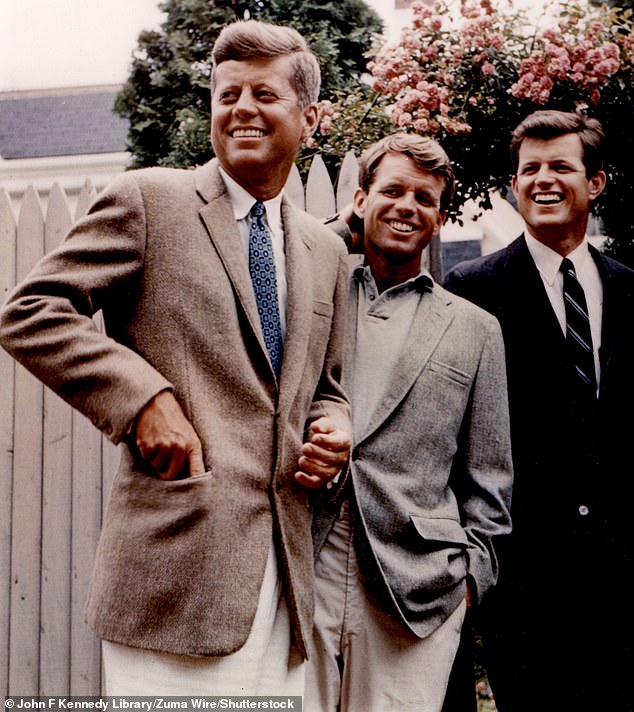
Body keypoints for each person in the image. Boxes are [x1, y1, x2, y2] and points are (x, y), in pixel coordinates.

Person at [0, 20, 352, 696]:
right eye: (228, 95)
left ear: (309, 118)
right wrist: (142, 400)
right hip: (174, 574)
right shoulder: (149, 202)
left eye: (264, 95)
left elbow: (327, 386)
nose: (242, 109)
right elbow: (30, 310)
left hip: (285, 580)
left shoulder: (325, 250)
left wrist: (334, 431)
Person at [306, 133, 513, 711]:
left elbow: (489, 473)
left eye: (423, 198)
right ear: (360, 200)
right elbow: (282, 260)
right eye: (391, 191)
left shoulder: (474, 327)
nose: (406, 207)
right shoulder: (317, 291)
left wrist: (473, 577)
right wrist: (338, 230)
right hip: (309, 556)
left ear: (439, 218)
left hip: (417, 581)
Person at [443, 109, 634, 712]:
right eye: (530, 169)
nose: (543, 180)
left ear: (596, 182)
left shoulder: (632, 288)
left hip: (625, 579)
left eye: (561, 166)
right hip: (526, 582)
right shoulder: (471, 291)